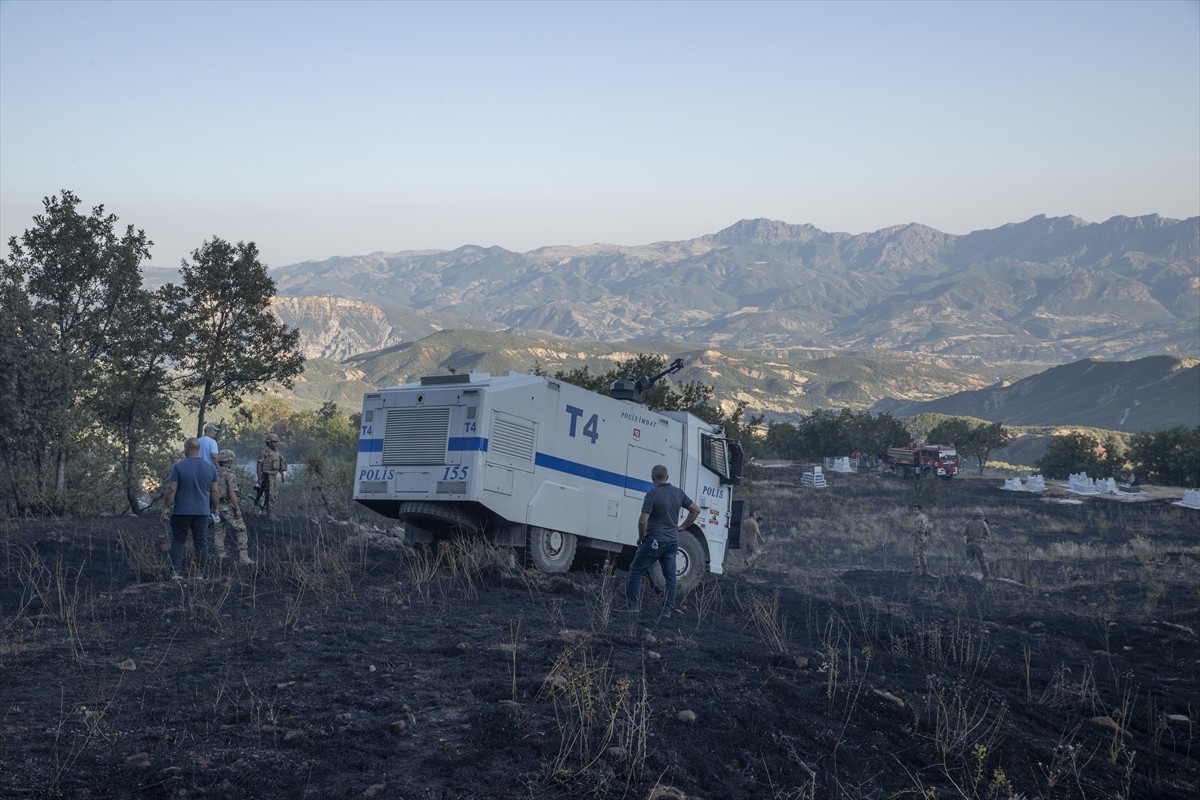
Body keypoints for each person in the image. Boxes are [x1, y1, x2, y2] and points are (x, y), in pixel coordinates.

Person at [625, 464, 700, 618]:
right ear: (667, 477)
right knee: (670, 576)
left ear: (652, 478)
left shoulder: (652, 494)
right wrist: (684, 526)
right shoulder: (678, 493)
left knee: (636, 569)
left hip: (654, 540)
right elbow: (695, 510)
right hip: (672, 541)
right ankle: (667, 611)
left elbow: (642, 521)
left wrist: (641, 537)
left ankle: (632, 606)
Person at [161, 437, 219, 579]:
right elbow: (215, 491)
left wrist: (166, 507)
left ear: (187, 449)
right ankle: (200, 573)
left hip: (181, 511)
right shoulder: (210, 468)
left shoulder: (179, 466)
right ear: (198, 449)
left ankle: (176, 572)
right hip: (202, 511)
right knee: (201, 541)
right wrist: (215, 508)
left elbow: (171, 489)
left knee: (178, 540)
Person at [214, 449, 255, 565]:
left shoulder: (213, 473)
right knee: (241, 529)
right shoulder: (230, 475)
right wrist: (237, 509)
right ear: (229, 461)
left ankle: (220, 555)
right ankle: (243, 557)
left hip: (215, 506)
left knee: (219, 530)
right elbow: (232, 493)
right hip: (226, 506)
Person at [254, 433, 287, 515]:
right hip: (267, 475)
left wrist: (282, 474)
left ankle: (268, 511)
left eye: (276, 442)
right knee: (270, 495)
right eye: (273, 442)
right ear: (269, 442)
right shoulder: (264, 452)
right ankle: (268, 513)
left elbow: (281, 464)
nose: (275, 444)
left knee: (274, 495)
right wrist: (259, 478)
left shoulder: (276, 452)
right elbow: (259, 465)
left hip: (275, 475)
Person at [963, 507, 991, 578]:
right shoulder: (983, 523)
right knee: (983, 561)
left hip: (969, 544)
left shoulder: (968, 523)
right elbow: (988, 534)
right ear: (981, 515)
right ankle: (987, 578)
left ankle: (965, 575)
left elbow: (963, 533)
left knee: (969, 560)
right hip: (979, 545)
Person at [910, 503, 931, 576]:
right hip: (924, 538)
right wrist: (927, 536)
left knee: (916, 554)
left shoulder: (918, 518)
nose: (914, 511)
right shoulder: (925, 517)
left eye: (915, 509)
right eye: (913, 509)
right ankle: (926, 571)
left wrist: (909, 536)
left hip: (919, 537)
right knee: (923, 555)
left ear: (919, 510)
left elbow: (917, 529)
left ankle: (917, 571)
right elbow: (927, 528)